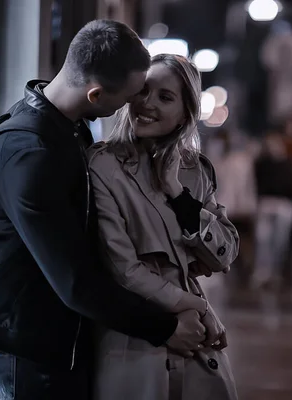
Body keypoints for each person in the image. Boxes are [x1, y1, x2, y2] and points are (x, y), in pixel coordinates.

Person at [0, 20, 205, 400]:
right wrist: (164, 328)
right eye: (132, 95)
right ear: (96, 94)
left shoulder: (66, 127)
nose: (135, 104)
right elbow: (74, 282)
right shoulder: (32, 154)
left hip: (50, 332)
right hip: (27, 344)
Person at [87, 53, 239, 399]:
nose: (147, 104)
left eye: (165, 97)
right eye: (143, 91)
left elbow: (225, 253)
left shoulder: (194, 170)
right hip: (136, 338)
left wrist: (177, 192)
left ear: (186, 113)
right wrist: (198, 307)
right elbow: (123, 267)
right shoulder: (103, 165)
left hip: (198, 343)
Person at [252, 130, 292, 290]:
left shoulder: (287, 163)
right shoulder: (262, 162)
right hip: (266, 203)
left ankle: (275, 272)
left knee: (280, 240)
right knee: (263, 239)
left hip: (283, 204)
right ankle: (262, 272)